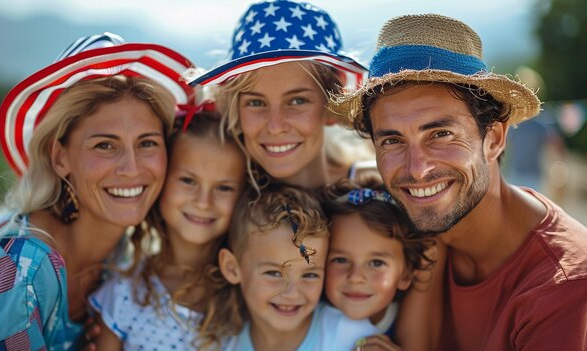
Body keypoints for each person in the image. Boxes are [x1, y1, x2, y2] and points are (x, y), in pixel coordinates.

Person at [331, 14, 587, 351]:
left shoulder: (565, 288)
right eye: (392, 141)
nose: (417, 169)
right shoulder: (393, 235)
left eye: (440, 134)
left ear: (494, 138)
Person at [0, 34, 197, 350]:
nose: (131, 167)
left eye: (147, 143)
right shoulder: (16, 270)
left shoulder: (120, 259)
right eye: (105, 145)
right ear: (60, 157)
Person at [88, 109, 247, 350]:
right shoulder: (124, 294)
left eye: (224, 188)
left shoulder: (248, 294)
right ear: (162, 181)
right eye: (188, 181)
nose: (203, 202)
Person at [189, 0, 369, 189]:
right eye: (256, 103)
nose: (275, 127)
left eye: (297, 101)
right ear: (236, 111)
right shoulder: (215, 208)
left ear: (333, 105)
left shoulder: (384, 198)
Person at [201, 183, 378, 350]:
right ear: (232, 268)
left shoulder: (351, 337)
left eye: (310, 275)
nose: (292, 293)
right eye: (274, 273)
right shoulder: (221, 343)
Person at [320, 179, 433, 342]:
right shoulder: (307, 316)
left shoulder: (406, 322)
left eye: (376, 263)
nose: (356, 277)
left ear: (406, 275)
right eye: (340, 260)